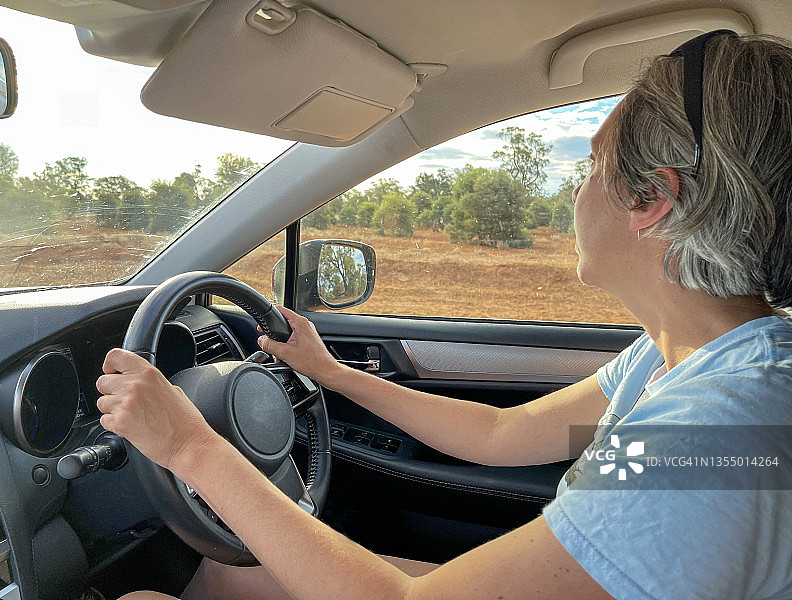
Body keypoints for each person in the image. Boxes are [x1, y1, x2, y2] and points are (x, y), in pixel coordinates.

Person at [96, 31, 792, 600]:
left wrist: (190, 447)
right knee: (228, 572)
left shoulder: (721, 428)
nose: (574, 195)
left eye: (588, 168)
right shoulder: (679, 360)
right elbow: (504, 431)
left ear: (651, 199)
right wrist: (333, 375)